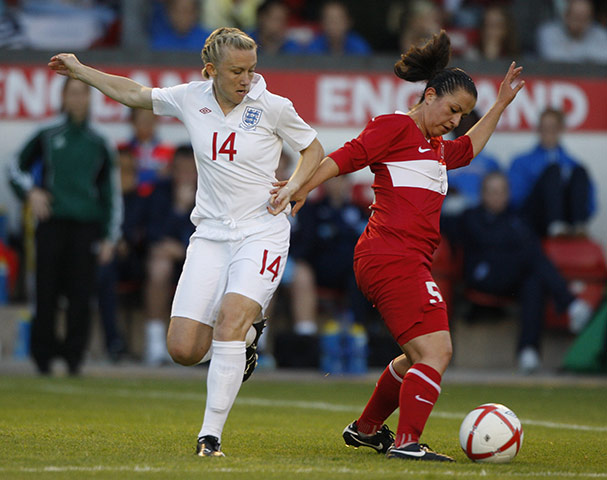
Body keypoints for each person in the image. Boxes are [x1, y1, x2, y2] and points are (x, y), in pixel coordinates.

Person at [48, 27, 323, 456]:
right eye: (236, 71)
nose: (246, 79)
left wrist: (294, 187)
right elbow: (136, 93)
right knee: (183, 349)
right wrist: (82, 72)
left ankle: (209, 437)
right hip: (210, 235)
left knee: (230, 320)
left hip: (262, 230)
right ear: (210, 70)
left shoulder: (273, 107)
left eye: (251, 70)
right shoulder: (191, 97)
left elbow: (313, 150)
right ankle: (248, 338)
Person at [279, 30, 525, 461]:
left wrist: (500, 105)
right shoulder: (395, 126)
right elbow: (346, 157)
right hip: (390, 256)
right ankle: (408, 443)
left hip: (400, 259)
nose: (455, 121)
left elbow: (467, 149)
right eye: (452, 110)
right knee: (437, 350)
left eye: (462, 115)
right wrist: (301, 186)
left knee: (415, 357)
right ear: (429, 95)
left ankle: (367, 428)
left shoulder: (435, 147)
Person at [8, 77, 122, 376]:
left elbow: (111, 192)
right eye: (72, 93)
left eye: (83, 93)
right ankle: (42, 356)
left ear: (89, 98)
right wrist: (31, 192)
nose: (78, 99)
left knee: (80, 294)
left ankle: (74, 356)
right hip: (51, 222)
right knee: (45, 291)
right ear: (63, 97)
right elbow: (13, 166)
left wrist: (110, 237)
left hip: (86, 225)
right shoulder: (47, 135)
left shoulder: (99, 143)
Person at [456, 172, 593, 373]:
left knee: (534, 281)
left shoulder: (515, 217)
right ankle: (570, 303)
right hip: (484, 277)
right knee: (531, 255)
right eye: (493, 191)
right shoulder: (471, 217)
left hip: (511, 278)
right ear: (483, 194)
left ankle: (528, 351)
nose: (498, 196)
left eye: (502, 191)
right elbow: (492, 242)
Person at [288, 175, 369, 336]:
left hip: (351, 269)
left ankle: (361, 331)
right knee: (303, 270)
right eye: (332, 179)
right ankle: (307, 337)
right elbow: (305, 245)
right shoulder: (311, 210)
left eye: (341, 179)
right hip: (320, 269)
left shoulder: (358, 211)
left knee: (363, 273)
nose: (337, 184)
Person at [142, 144, 198, 366]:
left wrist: (185, 249)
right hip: (167, 259)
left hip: (199, 258)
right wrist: (178, 208)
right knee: (159, 266)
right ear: (172, 169)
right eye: (180, 169)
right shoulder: (159, 191)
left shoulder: (211, 191)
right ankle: (155, 343)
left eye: (190, 170)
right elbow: (153, 233)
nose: (185, 176)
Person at [508, 107, 596, 237]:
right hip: (535, 216)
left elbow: (590, 202)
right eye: (543, 127)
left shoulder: (572, 163)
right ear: (538, 129)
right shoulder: (521, 161)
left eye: (552, 127)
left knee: (579, 171)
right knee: (553, 171)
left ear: (561, 129)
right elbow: (516, 198)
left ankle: (578, 225)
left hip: (568, 218)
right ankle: (556, 224)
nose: (547, 131)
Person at [120, 108, 175, 196]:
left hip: (159, 199)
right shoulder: (123, 150)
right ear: (133, 122)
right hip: (130, 198)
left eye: (151, 120)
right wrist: (155, 174)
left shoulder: (168, 151)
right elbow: (123, 178)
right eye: (143, 120)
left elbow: (170, 177)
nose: (147, 124)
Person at [536, 0, 607, 64]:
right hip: (558, 75)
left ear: (591, 19)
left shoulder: (600, 33)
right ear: (566, 16)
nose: (579, 23)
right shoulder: (549, 32)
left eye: (584, 18)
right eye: (576, 17)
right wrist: (587, 55)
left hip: (591, 76)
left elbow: (604, 56)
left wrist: (571, 50)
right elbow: (551, 56)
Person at [302, 1, 371, 55]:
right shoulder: (313, 47)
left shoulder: (359, 46)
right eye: (330, 20)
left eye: (338, 20)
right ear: (322, 23)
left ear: (348, 22)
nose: (334, 24)